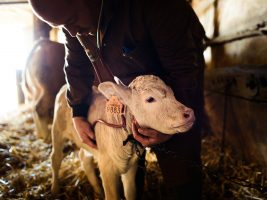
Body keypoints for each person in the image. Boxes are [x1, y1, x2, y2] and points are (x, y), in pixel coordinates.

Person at [28, 0, 206, 199]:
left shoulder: (156, 6)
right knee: (130, 147)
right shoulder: (74, 27)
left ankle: (183, 189)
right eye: (61, 27)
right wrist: (78, 111)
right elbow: (76, 65)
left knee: (180, 163)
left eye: (71, 20)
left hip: (177, 83)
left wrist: (171, 123)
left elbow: (184, 71)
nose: (70, 32)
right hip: (136, 89)